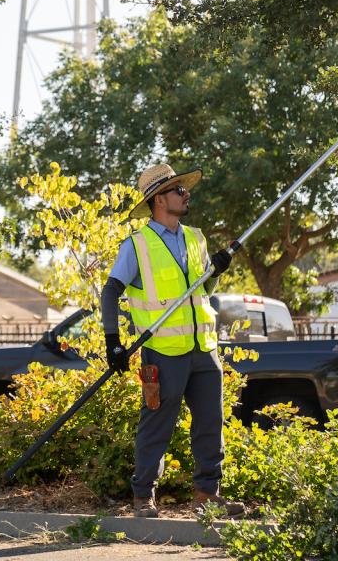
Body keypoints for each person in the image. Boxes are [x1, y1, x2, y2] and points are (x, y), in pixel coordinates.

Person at [100, 163, 245, 518]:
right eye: (178, 190)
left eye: (183, 189)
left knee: (211, 423)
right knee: (156, 426)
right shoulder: (137, 246)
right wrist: (112, 343)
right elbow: (109, 293)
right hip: (163, 351)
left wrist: (218, 271)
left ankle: (206, 495)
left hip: (204, 349)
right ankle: (143, 497)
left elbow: (202, 289)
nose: (186, 194)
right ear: (158, 199)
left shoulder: (196, 238)